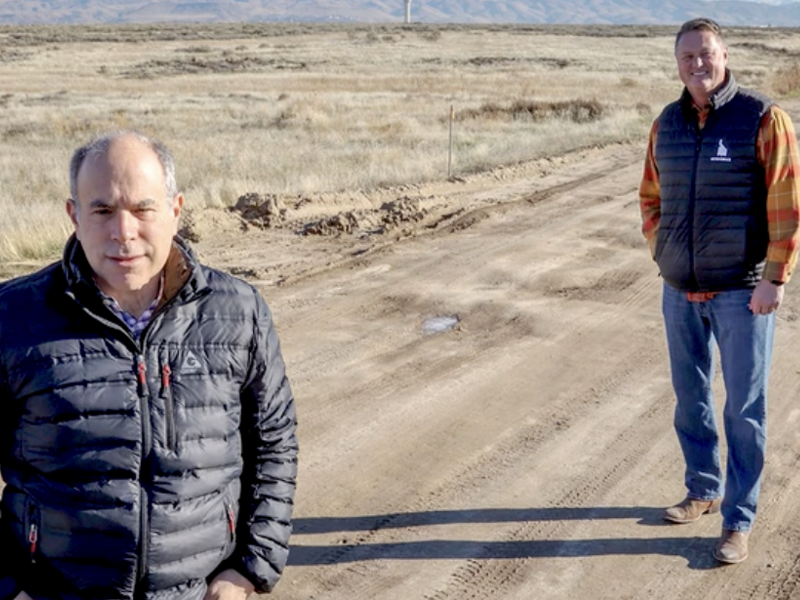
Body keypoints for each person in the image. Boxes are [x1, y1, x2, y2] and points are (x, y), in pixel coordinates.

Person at [0, 130, 299, 600]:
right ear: (73, 215)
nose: (123, 231)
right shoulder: (13, 318)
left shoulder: (239, 313)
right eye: (102, 210)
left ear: (175, 210)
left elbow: (274, 444)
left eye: (143, 209)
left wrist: (251, 568)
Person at [640, 17, 800, 564]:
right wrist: (662, 250)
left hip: (742, 291)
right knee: (691, 401)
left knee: (745, 411)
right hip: (679, 289)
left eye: (706, 54)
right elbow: (650, 197)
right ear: (677, 63)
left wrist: (775, 277)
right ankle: (702, 489)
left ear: (725, 55)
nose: (697, 65)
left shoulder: (763, 118)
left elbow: (787, 203)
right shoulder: (667, 122)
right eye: (687, 57)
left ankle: (738, 519)